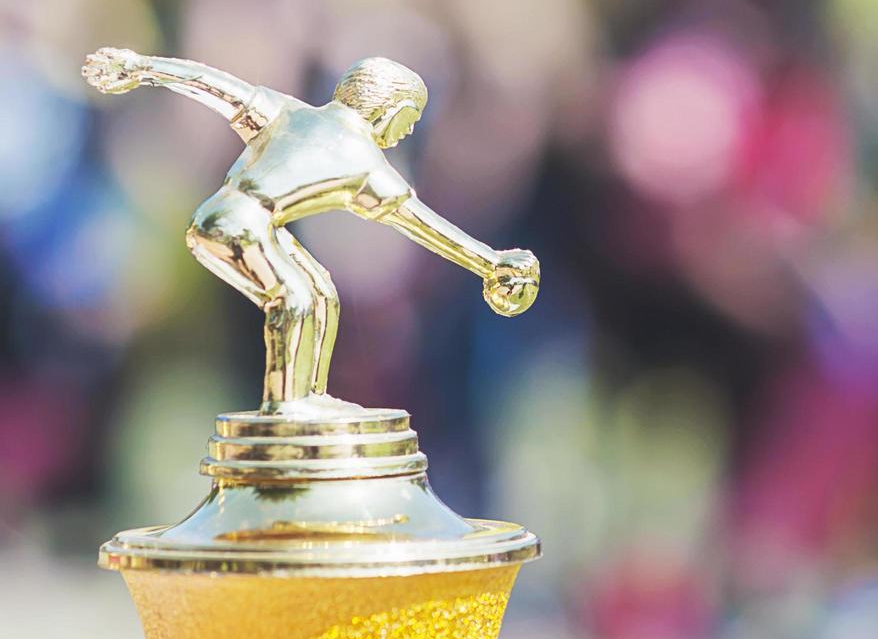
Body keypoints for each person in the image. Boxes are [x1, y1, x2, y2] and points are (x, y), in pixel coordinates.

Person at [82, 47, 539, 413]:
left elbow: (215, 85)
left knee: (321, 292)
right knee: (296, 298)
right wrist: (488, 262)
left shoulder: (291, 112)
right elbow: (419, 223)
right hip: (239, 224)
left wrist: (142, 68)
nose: (410, 130)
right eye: (411, 118)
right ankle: (286, 407)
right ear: (391, 109)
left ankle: (308, 399)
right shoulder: (363, 161)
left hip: (229, 218)